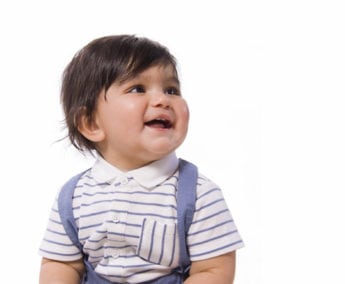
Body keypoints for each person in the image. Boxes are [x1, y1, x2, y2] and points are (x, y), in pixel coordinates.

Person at [39, 34, 244, 283]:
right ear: (91, 123)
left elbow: (214, 270)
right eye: (138, 89)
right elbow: (61, 264)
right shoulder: (74, 197)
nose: (163, 100)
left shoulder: (198, 194)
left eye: (171, 89)